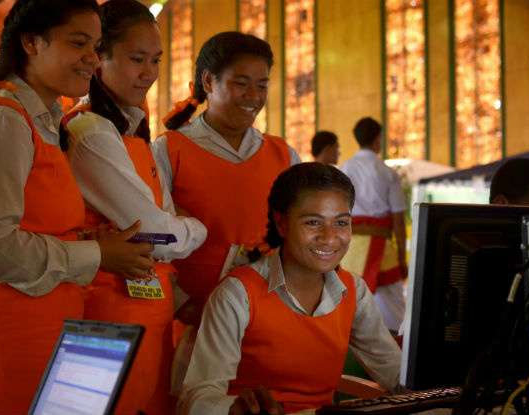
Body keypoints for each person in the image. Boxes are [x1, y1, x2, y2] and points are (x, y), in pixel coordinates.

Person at [0, 1, 156, 413]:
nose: (92, 58)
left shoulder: (46, 121)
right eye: (78, 43)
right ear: (32, 42)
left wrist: (90, 238)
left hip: (40, 332)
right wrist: (97, 254)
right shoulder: (3, 120)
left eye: (96, 45)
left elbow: (34, 224)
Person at [60, 1, 207, 413]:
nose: (150, 72)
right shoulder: (90, 132)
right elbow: (156, 232)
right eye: (137, 59)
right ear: (98, 57)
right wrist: (198, 229)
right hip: (109, 312)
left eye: (156, 60)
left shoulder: (130, 132)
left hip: (148, 309)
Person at [179, 163, 402, 415]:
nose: (329, 238)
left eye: (341, 223)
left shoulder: (353, 291)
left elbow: (394, 372)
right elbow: (195, 399)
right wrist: (234, 408)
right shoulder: (237, 295)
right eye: (313, 223)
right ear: (281, 223)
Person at [153, 31, 301, 329]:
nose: (254, 97)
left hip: (264, 317)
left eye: (262, 86)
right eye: (241, 83)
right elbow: (151, 242)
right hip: (190, 320)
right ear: (209, 82)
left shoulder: (283, 156)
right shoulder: (168, 151)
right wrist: (183, 305)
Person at [338, 117, 407, 333]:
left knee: (348, 302)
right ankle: (395, 355)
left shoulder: (344, 169)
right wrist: (402, 259)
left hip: (347, 249)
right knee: (392, 307)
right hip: (381, 250)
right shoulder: (387, 173)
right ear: (378, 139)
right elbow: (398, 221)